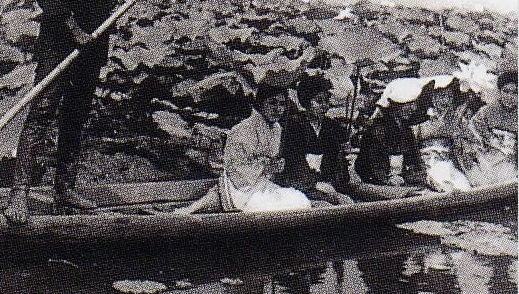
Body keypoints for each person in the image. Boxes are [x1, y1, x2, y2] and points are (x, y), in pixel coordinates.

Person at [5, 0, 203, 224]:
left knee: (76, 114)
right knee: (43, 110)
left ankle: (64, 189)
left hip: (94, 41)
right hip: (61, 40)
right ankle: (19, 194)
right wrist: (74, 31)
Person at [174, 83, 311, 214]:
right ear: (261, 103)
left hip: (261, 184)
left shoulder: (276, 128)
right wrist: (263, 167)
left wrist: (276, 165)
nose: (278, 109)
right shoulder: (243, 129)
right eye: (272, 102)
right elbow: (233, 167)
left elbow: (270, 160)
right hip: (239, 187)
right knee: (273, 208)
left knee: (299, 202)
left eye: (282, 104)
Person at [276, 75, 354, 204]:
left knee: (347, 201)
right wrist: (316, 185)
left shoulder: (331, 126)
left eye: (326, 101)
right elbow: (294, 162)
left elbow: (335, 160)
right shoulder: (294, 127)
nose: (324, 106)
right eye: (319, 101)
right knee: (327, 205)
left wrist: (343, 152)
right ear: (307, 102)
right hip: (300, 184)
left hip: (327, 183)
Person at [354, 77, 431, 188]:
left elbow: (415, 160)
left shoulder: (406, 130)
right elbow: (373, 168)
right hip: (375, 184)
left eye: (413, 104)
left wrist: (418, 174)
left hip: (401, 183)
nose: (412, 108)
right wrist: (389, 179)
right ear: (395, 106)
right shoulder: (378, 130)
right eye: (407, 104)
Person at [413, 75, 472, 192]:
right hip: (427, 165)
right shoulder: (420, 120)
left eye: (449, 96)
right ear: (433, 98)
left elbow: (463, 145)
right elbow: (412, 145)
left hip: (449, 163)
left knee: (464, 186)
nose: (445, 101)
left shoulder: (456, 120)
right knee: (443, 183)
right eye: (441, 96)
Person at [459, 70, 518, 186]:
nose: (509, 96)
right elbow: (473, 133)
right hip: (487, 158)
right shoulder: (486, 112)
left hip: (511, 160)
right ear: (499, 92)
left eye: (515, 92)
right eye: (505, 91)